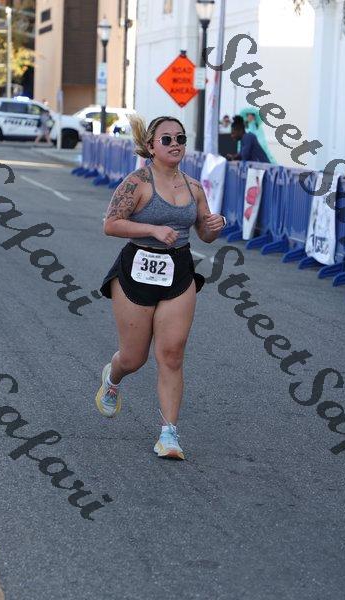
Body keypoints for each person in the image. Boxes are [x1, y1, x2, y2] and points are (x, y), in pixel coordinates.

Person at [96, 114, 226, 460]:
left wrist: (215, 226)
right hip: (137, 269)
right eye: (166, 139)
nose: (175, 144)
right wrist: (151, 229)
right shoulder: (137, 183)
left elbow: (205, 234)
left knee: (172, 354)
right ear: (151, 146)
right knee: (133, 357)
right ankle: (113, 377)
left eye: (180, 138)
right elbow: (111, 224)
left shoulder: (194, 187)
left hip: (178, 271)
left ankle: (169, 435)